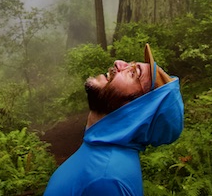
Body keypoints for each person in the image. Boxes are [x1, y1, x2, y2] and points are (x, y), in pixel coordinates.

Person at [43, 43, 184, 196]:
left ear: (138, 108)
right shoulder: (99, 153)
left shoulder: (107, 179)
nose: (118, 62)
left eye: (133, 73)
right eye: (130, 65)